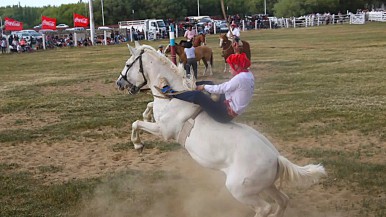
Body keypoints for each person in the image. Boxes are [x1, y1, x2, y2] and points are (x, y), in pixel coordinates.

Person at [158, 53, 254, 123]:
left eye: (230, 67)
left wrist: (203, 87)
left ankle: (170, 93)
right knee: (210, 84)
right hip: (226, 103)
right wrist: (206, 86)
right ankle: (188, 87)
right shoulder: (247, 75)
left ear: (236, 66)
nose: (229, 69)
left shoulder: (240, 78)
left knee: (198, 96)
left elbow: (222, 88)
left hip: (224, 113)